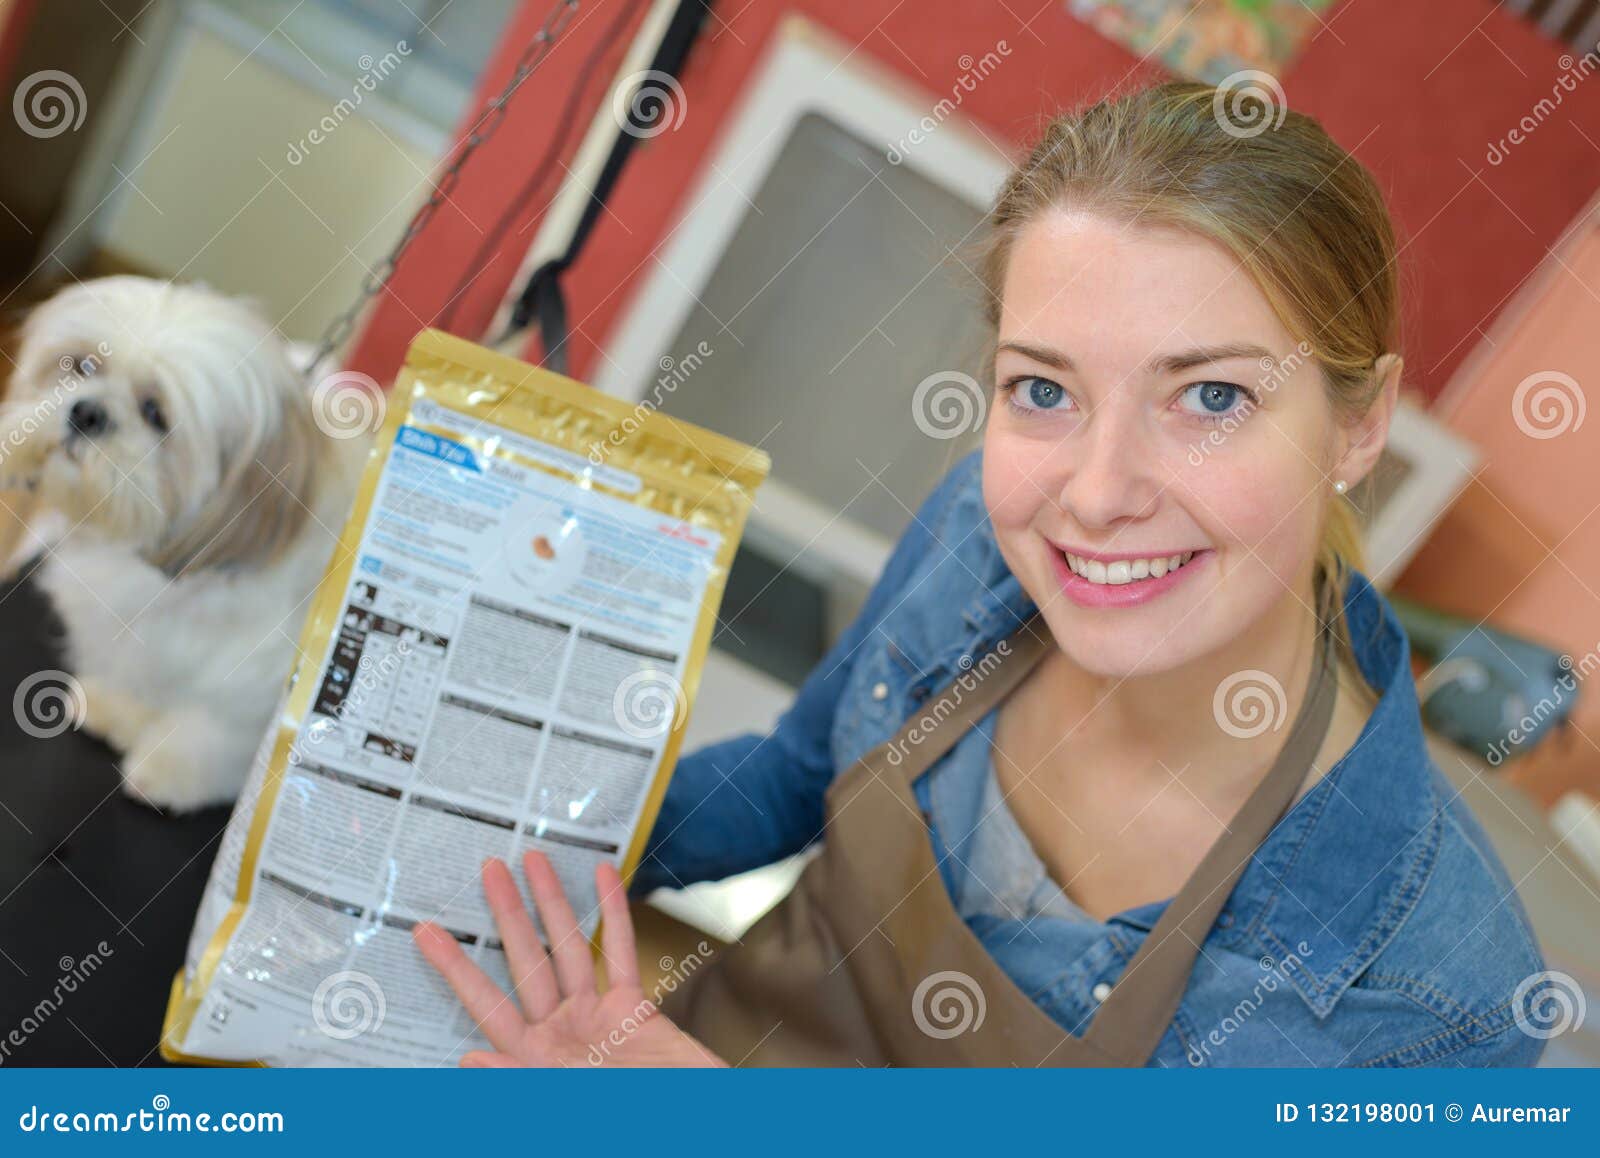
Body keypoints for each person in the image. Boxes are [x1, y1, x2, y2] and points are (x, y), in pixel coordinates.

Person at [414, 81, 1549, 1067]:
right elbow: (797, 777)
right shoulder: (976, 532)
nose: (1096, 495)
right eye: (1043, 391)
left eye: (1211, 397)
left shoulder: (1433, 1002)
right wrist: (498, 823)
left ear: (1358, 426)